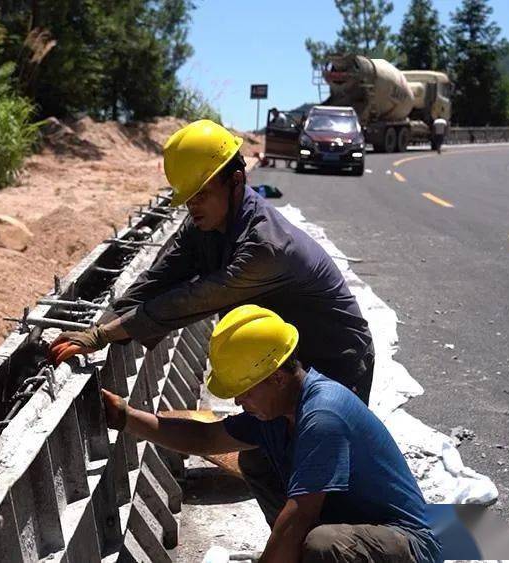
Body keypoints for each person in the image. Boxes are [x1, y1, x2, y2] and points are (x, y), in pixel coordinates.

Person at [49, 119, 375, 404]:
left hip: (334, 361)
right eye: (188, 197)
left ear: (235, 182)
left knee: (310, 462)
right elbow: (160, 278)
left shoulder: (266, 247)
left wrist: (105, 335)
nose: (192, 206)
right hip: (280, 363)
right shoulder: (205, 224)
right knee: (265, 462)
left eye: (201, 194)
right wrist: (97, 326)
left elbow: (194, 300)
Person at [99, 305, 440, 562]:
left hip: (407, 544)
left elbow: (299, 516)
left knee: (321, 544)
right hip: (349, 525)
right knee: (255, 458)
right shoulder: (277, 411)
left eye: (245, 390)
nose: (237, 399)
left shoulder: (323, 414)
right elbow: (204, 439)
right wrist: (127, 417)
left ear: (277, 378)